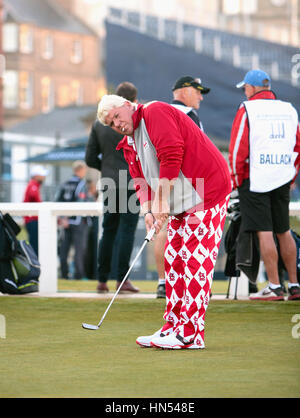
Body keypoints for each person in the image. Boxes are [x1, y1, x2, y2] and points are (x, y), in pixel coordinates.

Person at [97, 94, 231, 350]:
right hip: (182, 201)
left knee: (194, 262)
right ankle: (173, 325)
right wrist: (149, 210)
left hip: (207, 191)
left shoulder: (154, 112)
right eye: (111, 124)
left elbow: (172, 156)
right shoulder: (128, 144)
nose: (117, 124)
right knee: (174, 259)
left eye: (116, 116)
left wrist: (161, 202)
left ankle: (190, 334)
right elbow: (140, 181)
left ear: (127, 105)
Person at [229, 69, 300, 301]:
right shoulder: (289, 109)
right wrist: (291, 176)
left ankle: (274, 286)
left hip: (255, 178)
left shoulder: (247, 108)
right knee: (284, 231)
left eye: (246, 88)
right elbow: (297, 146)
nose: (245, 91)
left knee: (265, 232)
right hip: (282, 175)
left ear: (252, 88)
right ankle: (295, 285)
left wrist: (237, 179)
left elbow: (238, 147)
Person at [155, 75, 211, 298]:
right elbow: (200, 154)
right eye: (197, 91)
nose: (200, 97)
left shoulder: (158, 113)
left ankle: (162, 282)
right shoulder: (189, 115)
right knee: (189, 233)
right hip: (188, 183)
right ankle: (186, 283)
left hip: (162, 178)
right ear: (184, 91)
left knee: (163, 229)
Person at [85, 82, 140, 293]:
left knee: (107, 230)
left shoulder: (100, 124)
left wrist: (106, 168)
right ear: (131, 100)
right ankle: (122, 280)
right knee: (127, 231)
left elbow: (90, 158)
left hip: (109, 182)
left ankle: (102, 279)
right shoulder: (133, 119)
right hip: (132, 182)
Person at [56, 160, 89, 280]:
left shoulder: (64, 183)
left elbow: (57, 201)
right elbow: (80, 203)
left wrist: (62, 218)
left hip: (65, 222)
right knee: (79, 250)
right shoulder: (81, 184)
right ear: (79, 170)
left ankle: (64, 274)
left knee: (64, 249)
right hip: (77, 221)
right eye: (84, 170)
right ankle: (78, 275)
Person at [23, 165, 48, 256]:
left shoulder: (34, 185)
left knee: (36, 245)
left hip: (33, 219)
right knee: (34, 246)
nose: (44, 177)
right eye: (42, 175)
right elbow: (33, 197)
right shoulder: (33, 185)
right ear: (36, 175)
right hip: (32, 219)